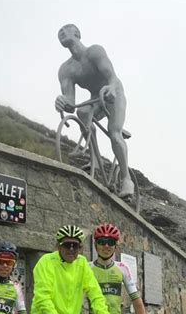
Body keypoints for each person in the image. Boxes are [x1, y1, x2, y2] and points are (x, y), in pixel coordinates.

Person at [55, 23, 134, 199]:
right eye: (58, 33)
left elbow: (112, 76)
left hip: (114, 93)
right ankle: (95, 160)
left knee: (114, 133)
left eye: (64, 30)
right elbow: (70, 102)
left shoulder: (94, 52)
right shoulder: (66, 69)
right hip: (96, 98)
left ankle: (127, 179)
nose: (60, 33)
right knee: (82, 112)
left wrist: (112, 88)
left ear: (77, 33)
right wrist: (61, 102)